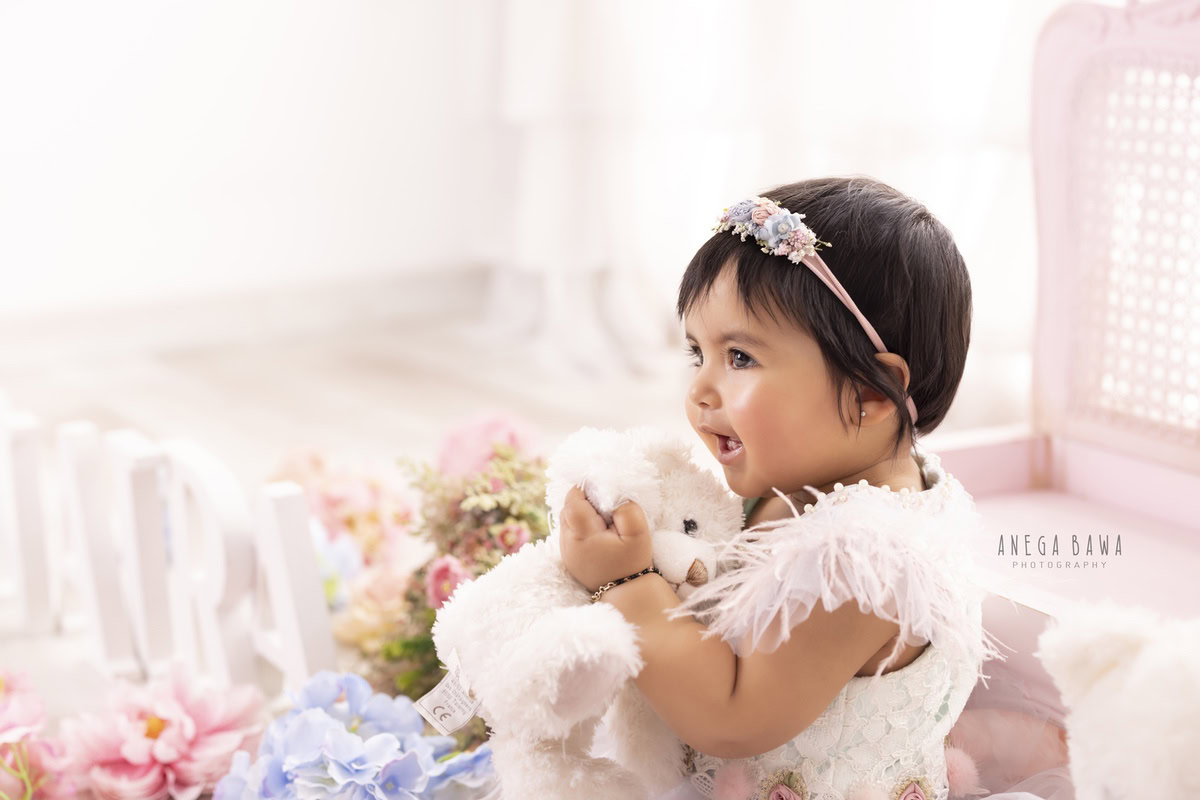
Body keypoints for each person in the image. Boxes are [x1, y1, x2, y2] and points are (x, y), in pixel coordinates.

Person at [558, 177, 1069, 800]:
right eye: (699, 353)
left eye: (740, 358)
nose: (700, 390)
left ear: (871, 392)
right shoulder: (809, 484)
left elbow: (730, 715)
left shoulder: (861, 562)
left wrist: (628, 585)